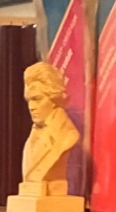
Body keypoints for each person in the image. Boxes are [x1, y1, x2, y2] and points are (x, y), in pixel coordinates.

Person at [20, 61, 80, 191]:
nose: (31, 107)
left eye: (37, 99)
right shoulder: (33, 134)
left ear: (54, 98)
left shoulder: (68, 135)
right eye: (28, 100)